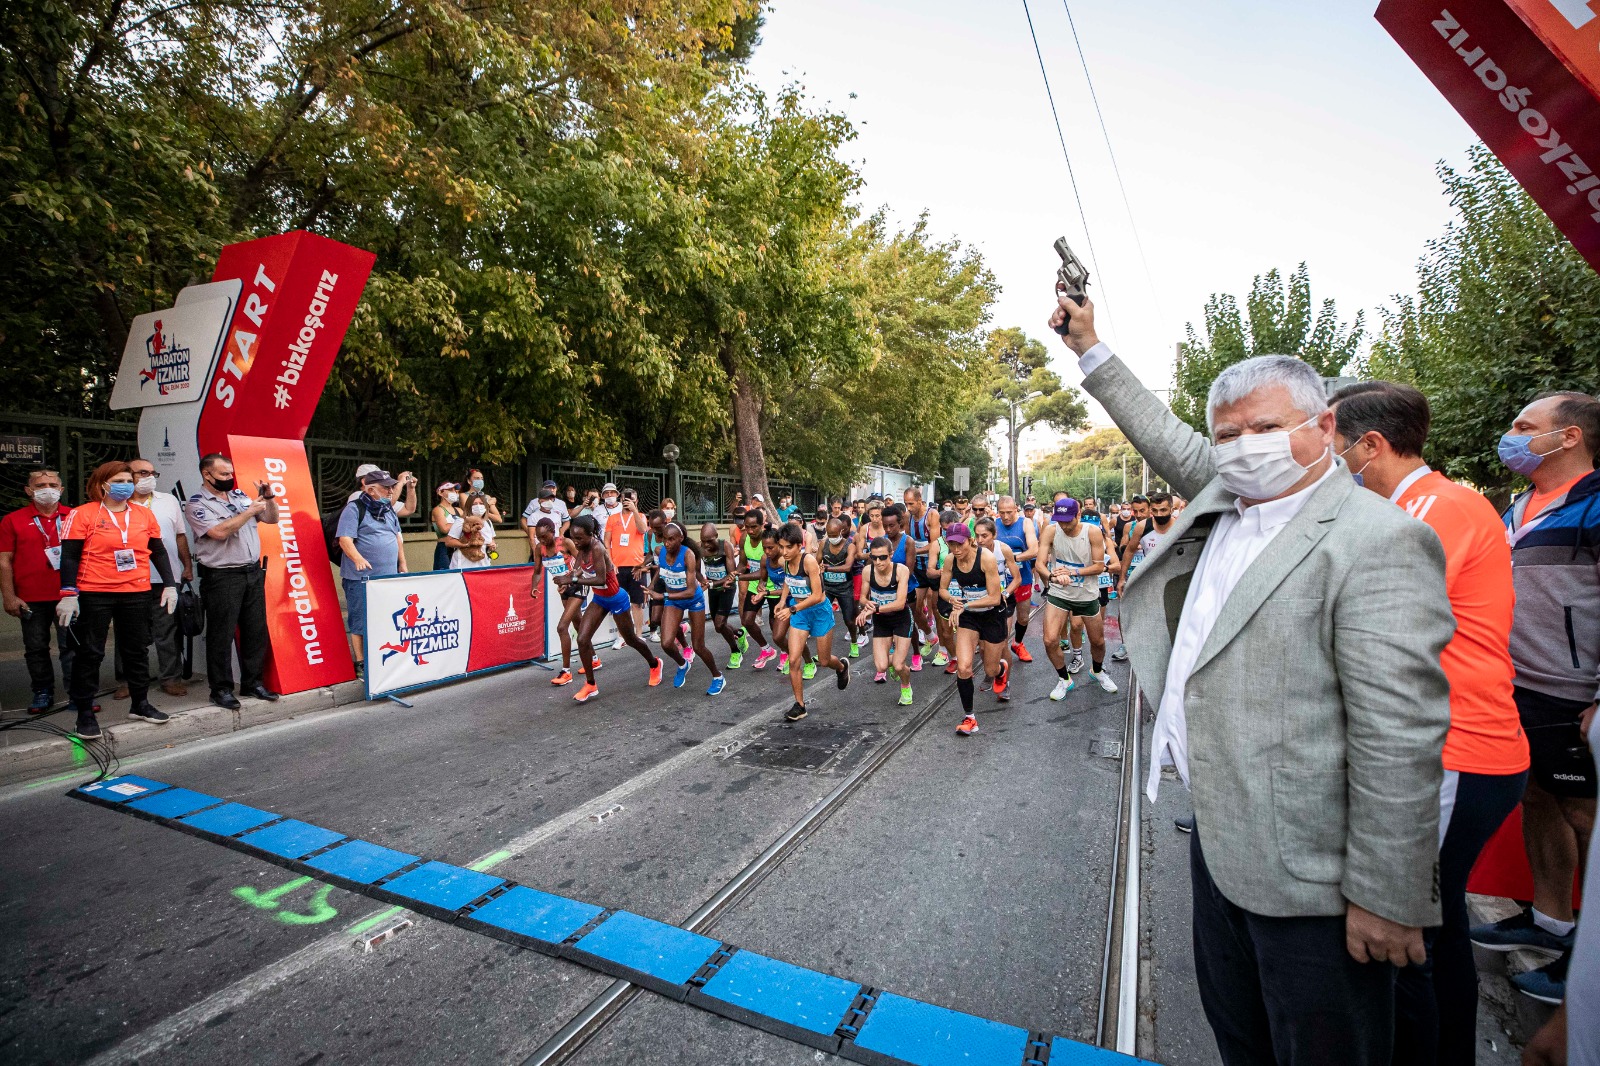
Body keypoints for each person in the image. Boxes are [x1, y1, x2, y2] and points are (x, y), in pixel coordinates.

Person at [1052, 291, 1456, 1066]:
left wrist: (1388, 895)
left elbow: (1400, 736)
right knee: (1241, 1040)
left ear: (1325, 429)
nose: (1245, 447)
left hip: (1318, 887)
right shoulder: (1230, 492)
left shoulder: (1379, 541)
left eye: (1267, 429)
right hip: (1223, 850)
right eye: (1228, 435)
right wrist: (1090, 347)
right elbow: (1161, 429)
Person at [1329, 381, 1530, 1064]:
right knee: (1429, 934)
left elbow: (1358, 611)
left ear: (1370, 445)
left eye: (1334, 444)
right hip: (1453, 743)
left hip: (1456, 747)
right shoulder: (1423, 502)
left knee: (1408, 935)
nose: (1330, 458)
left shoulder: (1433, 508)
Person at [1473, 390, 1600, 1009]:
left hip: (1575, 695)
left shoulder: (1597, 505)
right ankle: (1551, 922)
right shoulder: (1519, 505)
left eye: (1526, 426)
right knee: (1537, 798)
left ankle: (1589, 966)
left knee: (1587, 819)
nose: (1512, 434)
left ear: (1570, 436)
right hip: (1513, 682)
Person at [57, 461, 178, 738]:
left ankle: (141, 704)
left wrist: (169, 585)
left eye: (129, 480)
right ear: (103, 484)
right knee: (90, 652)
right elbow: (70, 556)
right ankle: (85, 714)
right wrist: (68, 593)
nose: (127, 485)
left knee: (136, 650)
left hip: (135, 591)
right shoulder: (82, 514)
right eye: (120, 480)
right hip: (94, 592)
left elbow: (157, 551)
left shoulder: (143, 514)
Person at [186, 454, 280, 710]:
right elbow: (218, 533)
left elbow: (272, 519)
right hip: (222, 576)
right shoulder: (196, 503)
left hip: (251, 572)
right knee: (221, 635)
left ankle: (252, 683)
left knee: (254, 631)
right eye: (224, 474)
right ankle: (221, 689)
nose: (230, 478)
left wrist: (269, 498)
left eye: (231, 473)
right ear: (207, 474)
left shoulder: (239, 496)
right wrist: (249, 511)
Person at [0, 469, 77, 711]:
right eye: (41, 485)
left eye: (53, 485)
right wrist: (9, 596)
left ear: (61, 490)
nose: (48, 489)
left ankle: (78, 693)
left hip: (68, 595)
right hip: (30, 598)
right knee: (35, 648)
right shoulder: (12, 520)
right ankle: (42, 692)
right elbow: (4, 560)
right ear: (28, 490)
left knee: (73, 646)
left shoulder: (74, 516)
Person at [567, 514, 661, 702]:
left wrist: (573, 579)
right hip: (600, 599)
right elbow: (577, 570)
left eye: (579, 538)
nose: (575, 542)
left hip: (617, 599)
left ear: (591, 534)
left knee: (631, 639)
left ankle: (655, 663)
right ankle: (591, 685)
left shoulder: (597, 547)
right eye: (573, 537)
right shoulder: (583, 548)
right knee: (583, 639)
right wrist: (568, 579)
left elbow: (601, 579)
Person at [126, 458, 192, 698]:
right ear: (127, 474)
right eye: (142, 472)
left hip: (166, 578)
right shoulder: (117, 502)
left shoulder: (169, 500)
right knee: (130, 631)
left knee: (167, 630)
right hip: (129, 578)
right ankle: (128, 680)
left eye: (153, 473)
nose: (149, 477)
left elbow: (180, 536)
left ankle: (170, 678)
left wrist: (186, 566)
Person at [775, 522, 849, 720]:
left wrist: (792, 608)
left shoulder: (808, 561)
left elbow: (817, 595)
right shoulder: (786, 561)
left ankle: (841, 667)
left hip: (819, 612)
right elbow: (788, 581)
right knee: (793, 659)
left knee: (824, 661)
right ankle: (800, 705)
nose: (784, 551)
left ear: (799, 545)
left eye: (788, 547)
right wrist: (782, 601)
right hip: (800, 614)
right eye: (781, 547)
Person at [938, 522, 1007, 736]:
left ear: (970, 541)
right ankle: (970, 718)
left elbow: (995, 598)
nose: (956, 550)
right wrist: (954, 600)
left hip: (992, 615)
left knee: (990, 670)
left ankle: (1001, 670)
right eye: (951, 544)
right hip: (969, 617)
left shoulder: (985, 558)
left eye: (960, 544)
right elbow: (942, 589)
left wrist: (964, 604)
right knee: (964, 667)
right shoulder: (950, 560)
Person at [336, 469, 406, 677]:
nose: (391, 491)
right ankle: (361, 661)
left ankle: (380, 654)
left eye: (392, 487)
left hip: (387, 576)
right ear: (371, 489)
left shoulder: (387, 510)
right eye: (386, 487)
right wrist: (357, 558)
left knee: (385, 617)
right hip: (360, 577)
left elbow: (397, 538)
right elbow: (344, 539)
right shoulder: (354, 509)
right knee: (359, 619)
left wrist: (402, 564)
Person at [1037, 498, 1105, 701]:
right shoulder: (1051, 530)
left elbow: (1099, 566)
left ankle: (1098, 671)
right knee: (1050, 640)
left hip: (1086, 594)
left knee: (1098, 642)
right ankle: (1064, 678)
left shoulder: (1092, 532)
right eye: (1061, 521)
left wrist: (1072, 572)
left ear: (1078, 515)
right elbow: (1040, 564)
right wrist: (1052, 577)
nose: (1064, 526)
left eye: (1069, 521)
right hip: (1059, 592)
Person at [648, 522, 724, 694]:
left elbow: (690, 591)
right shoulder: (661, 552)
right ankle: (683, 664)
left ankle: (718, 676)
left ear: (681, 539)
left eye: (671, 539)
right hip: (673, 601)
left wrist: (663, 596)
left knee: (698, 646)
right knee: (666, 643)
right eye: (665, 539)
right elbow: (661, 569)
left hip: (692, 600)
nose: (667, 543)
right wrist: (652, 586)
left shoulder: (688, 555)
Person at [856, 535, 914, 706]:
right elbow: (862, 598)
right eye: (874, 557)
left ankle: (905, 686)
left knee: (897, 665)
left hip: (901, 619)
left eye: (883, 557)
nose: (878, 561)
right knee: (881, 667)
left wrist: (875, 609)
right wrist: (867, 605)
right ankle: (898, 662)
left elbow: (900, 603)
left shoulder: (901, 570)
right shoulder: (868, 571)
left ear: (891, 554)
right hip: (881, 620)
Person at [534, 518, 590, 686]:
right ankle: (593, 659)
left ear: (553, 532)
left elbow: (582, 562)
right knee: (578, 623)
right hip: (564, 589)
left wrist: (570, 578)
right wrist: (534, 586)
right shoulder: (539, 548)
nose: (542, 540)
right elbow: (537, 571)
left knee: (562, 627)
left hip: (578, 585)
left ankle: (566, 672)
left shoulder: (565, 543)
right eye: (539, 537)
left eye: (544, 536)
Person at [994, 495, 1039, 665]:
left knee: (1024, 618)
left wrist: (1012, 559)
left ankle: (1018, 643)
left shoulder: (1025, 523)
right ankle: (1001, 653)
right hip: (1001, 581)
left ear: (1016, 510)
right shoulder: (994, 524)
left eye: (1009, 512)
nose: (1005, 517)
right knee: (1004, 622)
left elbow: (1034, 549)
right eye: (1002, 513)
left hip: (1022, 577)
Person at [699, 523, 745, 667]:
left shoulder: (725, 546)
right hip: (713, 589)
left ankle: (735, 651)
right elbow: (696, 571)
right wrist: (703, 581)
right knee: (719, 626)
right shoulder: (699, 547)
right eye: (703, 541)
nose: (706, 544)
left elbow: (731, 575)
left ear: (716, 537)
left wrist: (711, 584)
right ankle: (739, 633)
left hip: (727, 588)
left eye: (709, 540)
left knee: (719, 624)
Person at [904, 488, 942, 664]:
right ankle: (930, 635)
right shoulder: (907, 517)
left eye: (911, 503)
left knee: (937, 609)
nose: (909, 507)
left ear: (920, 501)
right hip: (918, 568)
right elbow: (908, 540)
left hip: (933, 567)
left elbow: (934, 543)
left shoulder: (932, 515)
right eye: (906, 504)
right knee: (915, 609)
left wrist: (914, 551)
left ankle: (943, 649)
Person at [735, 509, 776, 669]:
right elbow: (742, 563)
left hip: (773, 586)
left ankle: (786, 654)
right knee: (747, 620)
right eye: (747, 526)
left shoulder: (769, 540)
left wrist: (741, 577)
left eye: (754, 527)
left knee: (775, 627)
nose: (750, 531)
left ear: (762, 525)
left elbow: (764, 570)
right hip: (755, 585)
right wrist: (735, 573)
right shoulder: (744, 538)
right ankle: (766, 649)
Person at [603, 488, 648, 631]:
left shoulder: (640, 516)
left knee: (637, 603)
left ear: (637, 501)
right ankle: (622, 636)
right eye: (625, 499)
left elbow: (642, 530)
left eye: (632, 499)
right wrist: (611, 563)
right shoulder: (613, 518)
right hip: (617, 566)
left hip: (636, 566)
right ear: (620, 501)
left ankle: (639, 634)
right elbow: (606, 542)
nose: (628, 502)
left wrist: (634, 511)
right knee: (620, 604)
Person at [819, 517, 861, 658]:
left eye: (834, 535)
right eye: (829, 535)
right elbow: (815, 561)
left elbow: (848, 567)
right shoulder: (823, 544)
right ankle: (822, 650)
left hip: (845, 588)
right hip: (828, 588)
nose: (832, 538)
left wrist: (828, 568)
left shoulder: (850, 546)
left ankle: (854, 642)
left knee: (849, 620)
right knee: (822, 618)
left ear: (841, 531)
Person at [351, 463, 418, 517]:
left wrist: (410, 488)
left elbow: (408, 510)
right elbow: (386, 505)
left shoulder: (379, 498)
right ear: (364, 481)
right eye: (377, 478)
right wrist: (400, 482)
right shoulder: (356, 497)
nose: (382, 480)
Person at [522, 480, 569, 546]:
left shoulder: (560, 506)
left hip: (555, 545)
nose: (551, 490)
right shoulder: (534, 504)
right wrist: (531, 533)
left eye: (553, 488)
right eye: (548, 488)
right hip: (539, 543)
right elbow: (524, 519)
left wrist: (561, 532)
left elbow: (566, 521)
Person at [430, 482, 463, 571]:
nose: (454, 492)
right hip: (444, 549)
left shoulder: (459, 510)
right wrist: (461, 523)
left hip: (458, 547)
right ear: (440, 493)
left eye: (455, 490)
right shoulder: (438, 510)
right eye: (450, 490)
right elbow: (444, 529)